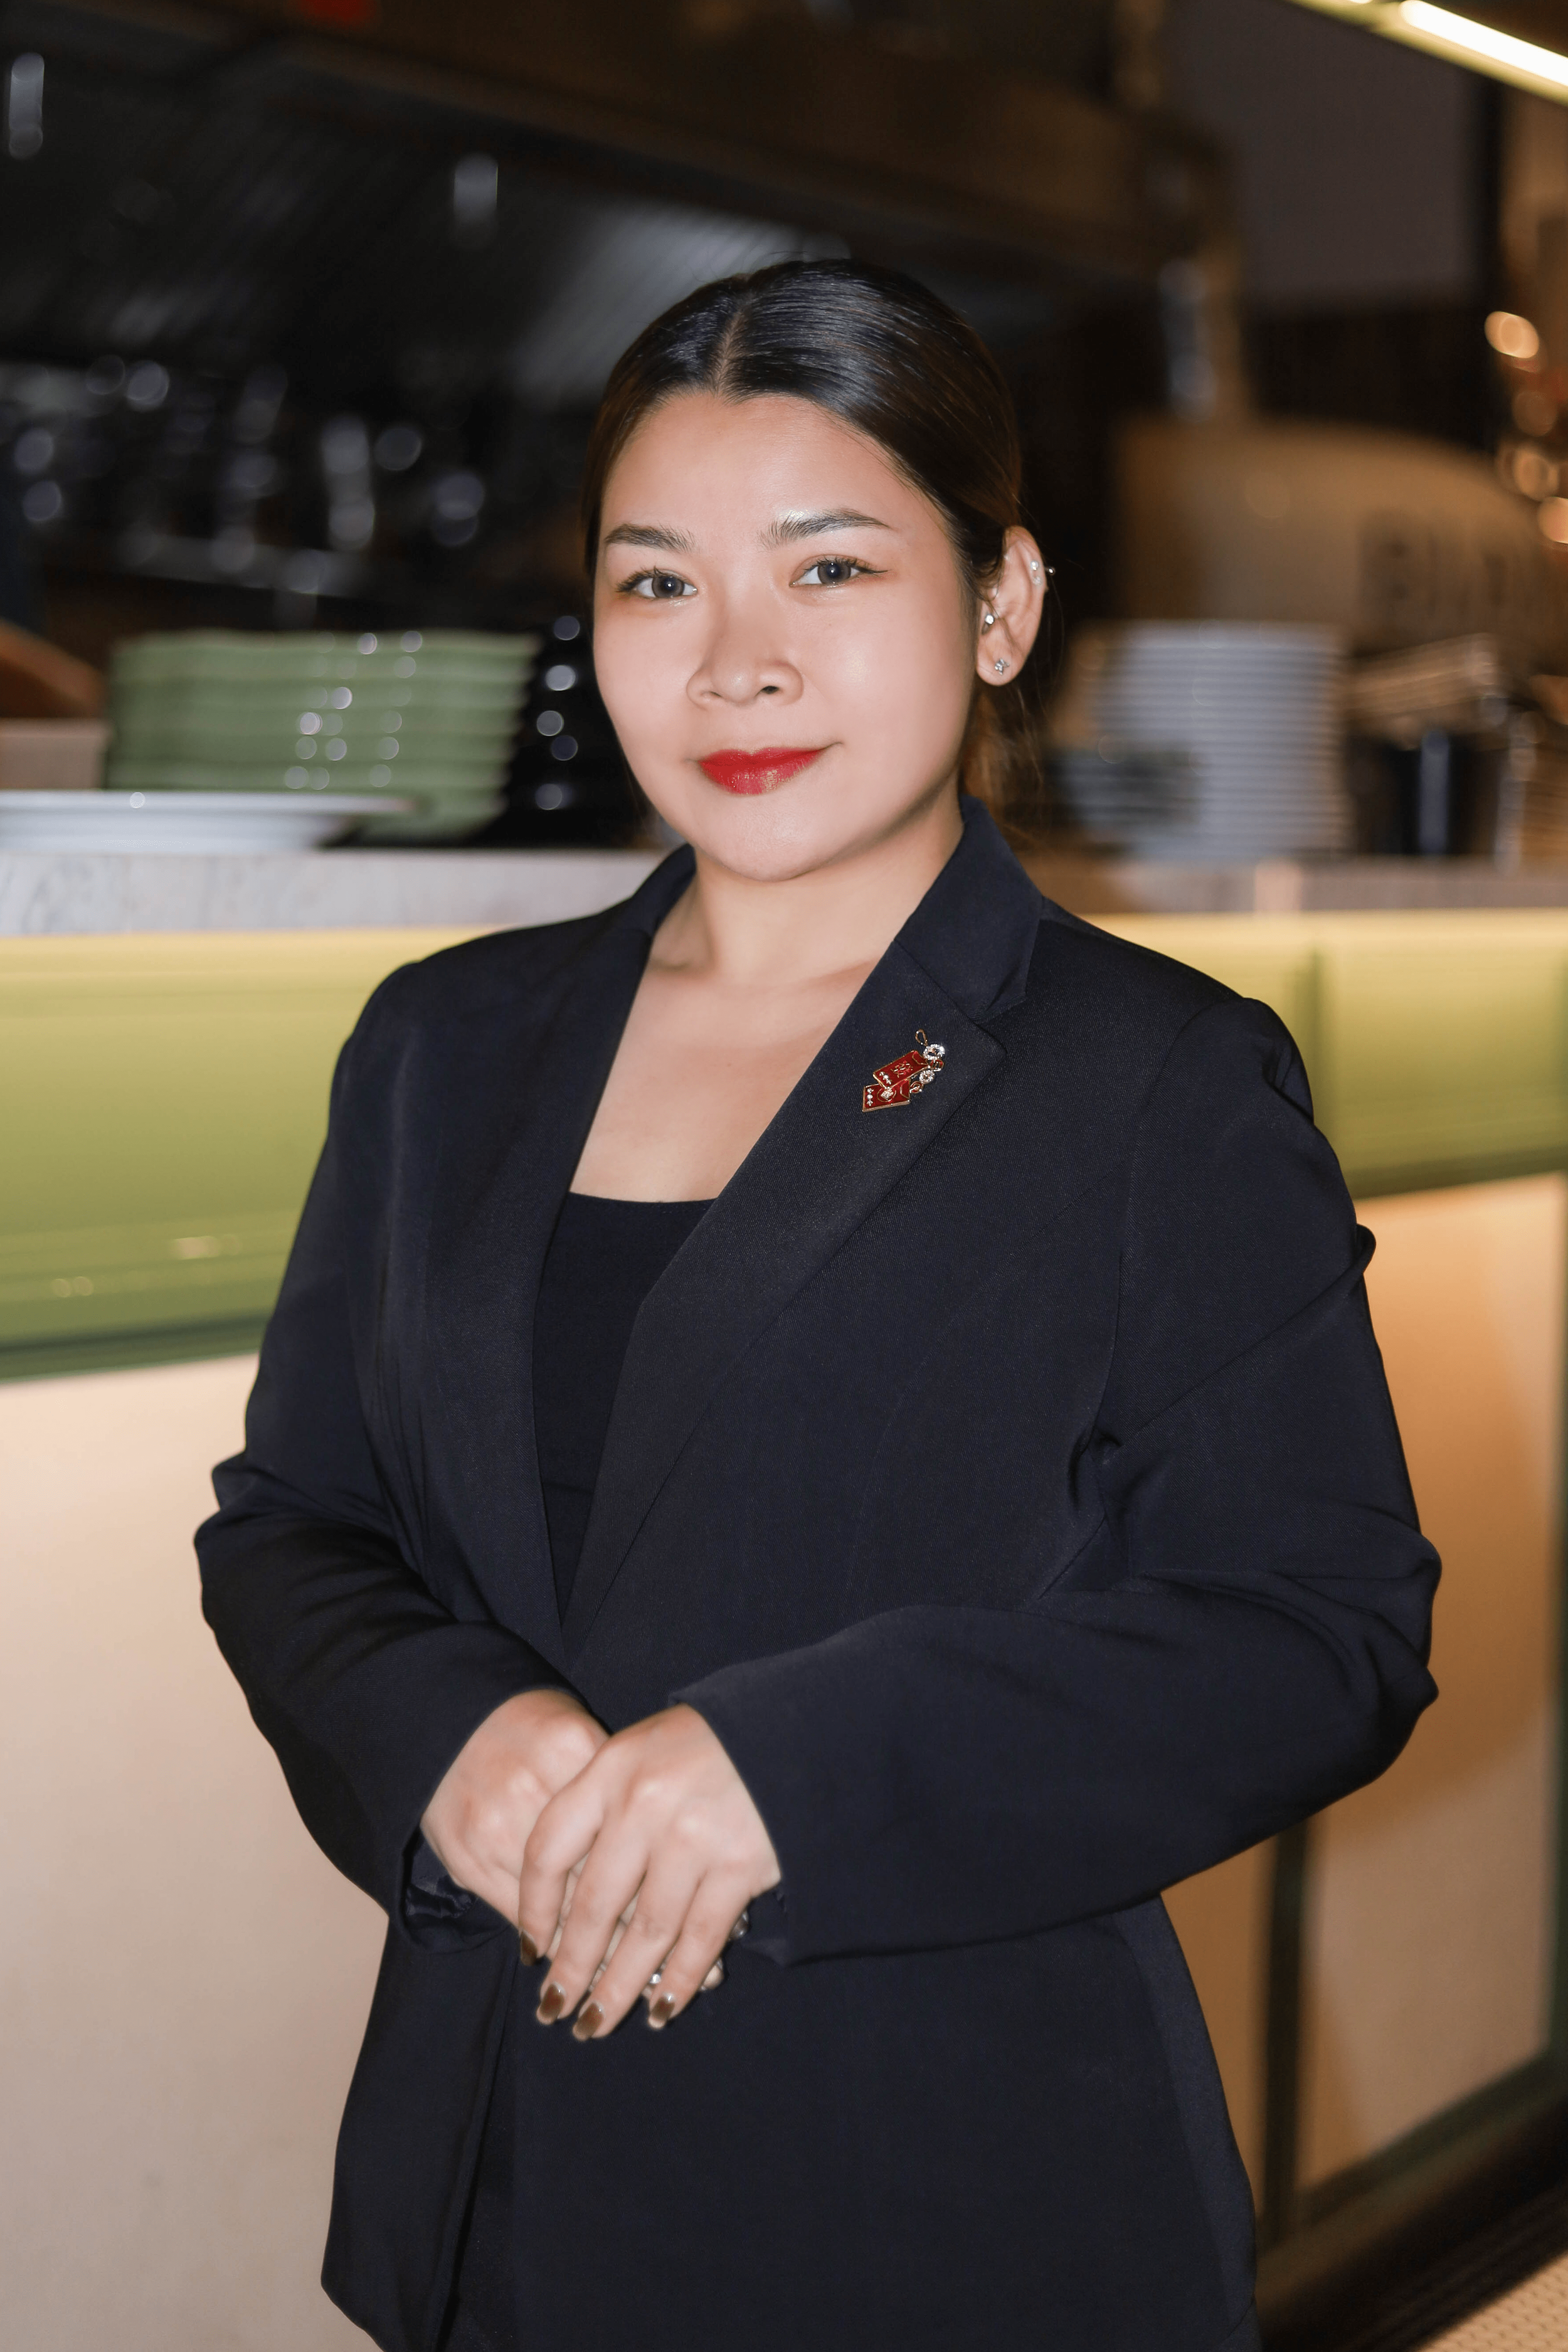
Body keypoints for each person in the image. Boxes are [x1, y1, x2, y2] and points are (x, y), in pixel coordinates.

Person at [198, 260, 1439, 2352]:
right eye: (656, 584)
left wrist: (792, 1770)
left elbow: (1315, 1624)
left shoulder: (1147, 1081)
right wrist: (445, 1735)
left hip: (944, 2198)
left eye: (831, 565)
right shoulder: (444, 1045)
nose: (736, 665)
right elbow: (293, 1521)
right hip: (493, 2186)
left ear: (999, 606)